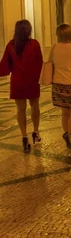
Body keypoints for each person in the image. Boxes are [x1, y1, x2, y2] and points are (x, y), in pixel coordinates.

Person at [0, 20, 43, 152]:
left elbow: (5, 65)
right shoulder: (34, 44)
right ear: (29, 31)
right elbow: (40, 62)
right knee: (35, 105)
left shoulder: (11, 45)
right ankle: (35, 132)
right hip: (32, 80)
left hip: (18, 81)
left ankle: (24, 136)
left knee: (21, 109)